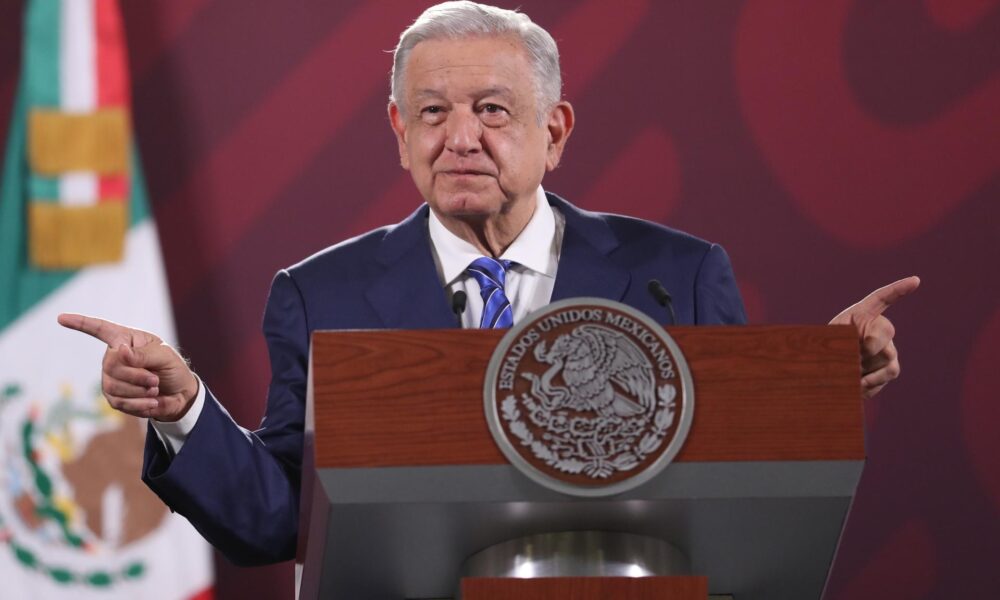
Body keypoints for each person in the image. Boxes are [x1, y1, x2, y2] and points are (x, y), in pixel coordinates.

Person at [57, 1, 918, 565]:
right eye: (433, 112)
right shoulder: (323, 294)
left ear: (557, 130)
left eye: (493, 110)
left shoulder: (673, 277)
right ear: (400, 131)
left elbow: (732, 468)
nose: (460, 137)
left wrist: (813, 379)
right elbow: (277, 520)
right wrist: (185, 413)